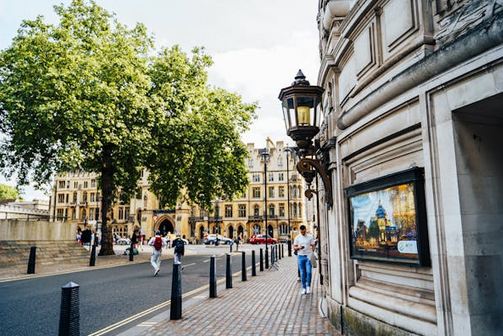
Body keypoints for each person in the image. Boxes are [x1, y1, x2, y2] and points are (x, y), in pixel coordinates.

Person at [293, 225, 316, 295]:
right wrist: (299, 247)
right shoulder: (297, 237)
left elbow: (313, 245)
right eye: (301, 232)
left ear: (305, 230)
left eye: (304, 231)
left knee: (309, 272)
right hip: (300, 257)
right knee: (303, 273)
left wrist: (312, 251)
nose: (303, 233)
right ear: (300, 231)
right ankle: (304, 288)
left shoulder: (310, 237)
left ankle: (308, 286)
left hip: (308, 256)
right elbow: (294, 247)